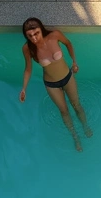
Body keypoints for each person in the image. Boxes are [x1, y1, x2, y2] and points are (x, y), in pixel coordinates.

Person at [19, 17, 90, 152]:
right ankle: (75, 137)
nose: (33, 38)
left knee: (76, 105)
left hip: (67, 78)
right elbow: (28, 69)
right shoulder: (27, 48)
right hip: (52, 85)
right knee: (64, 111)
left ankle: (85, 127)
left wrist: (74, 62)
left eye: (36, 33)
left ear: (41, 29)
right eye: (29, 36)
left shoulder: (55, 35)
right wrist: (24, 88)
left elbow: (68, 44)